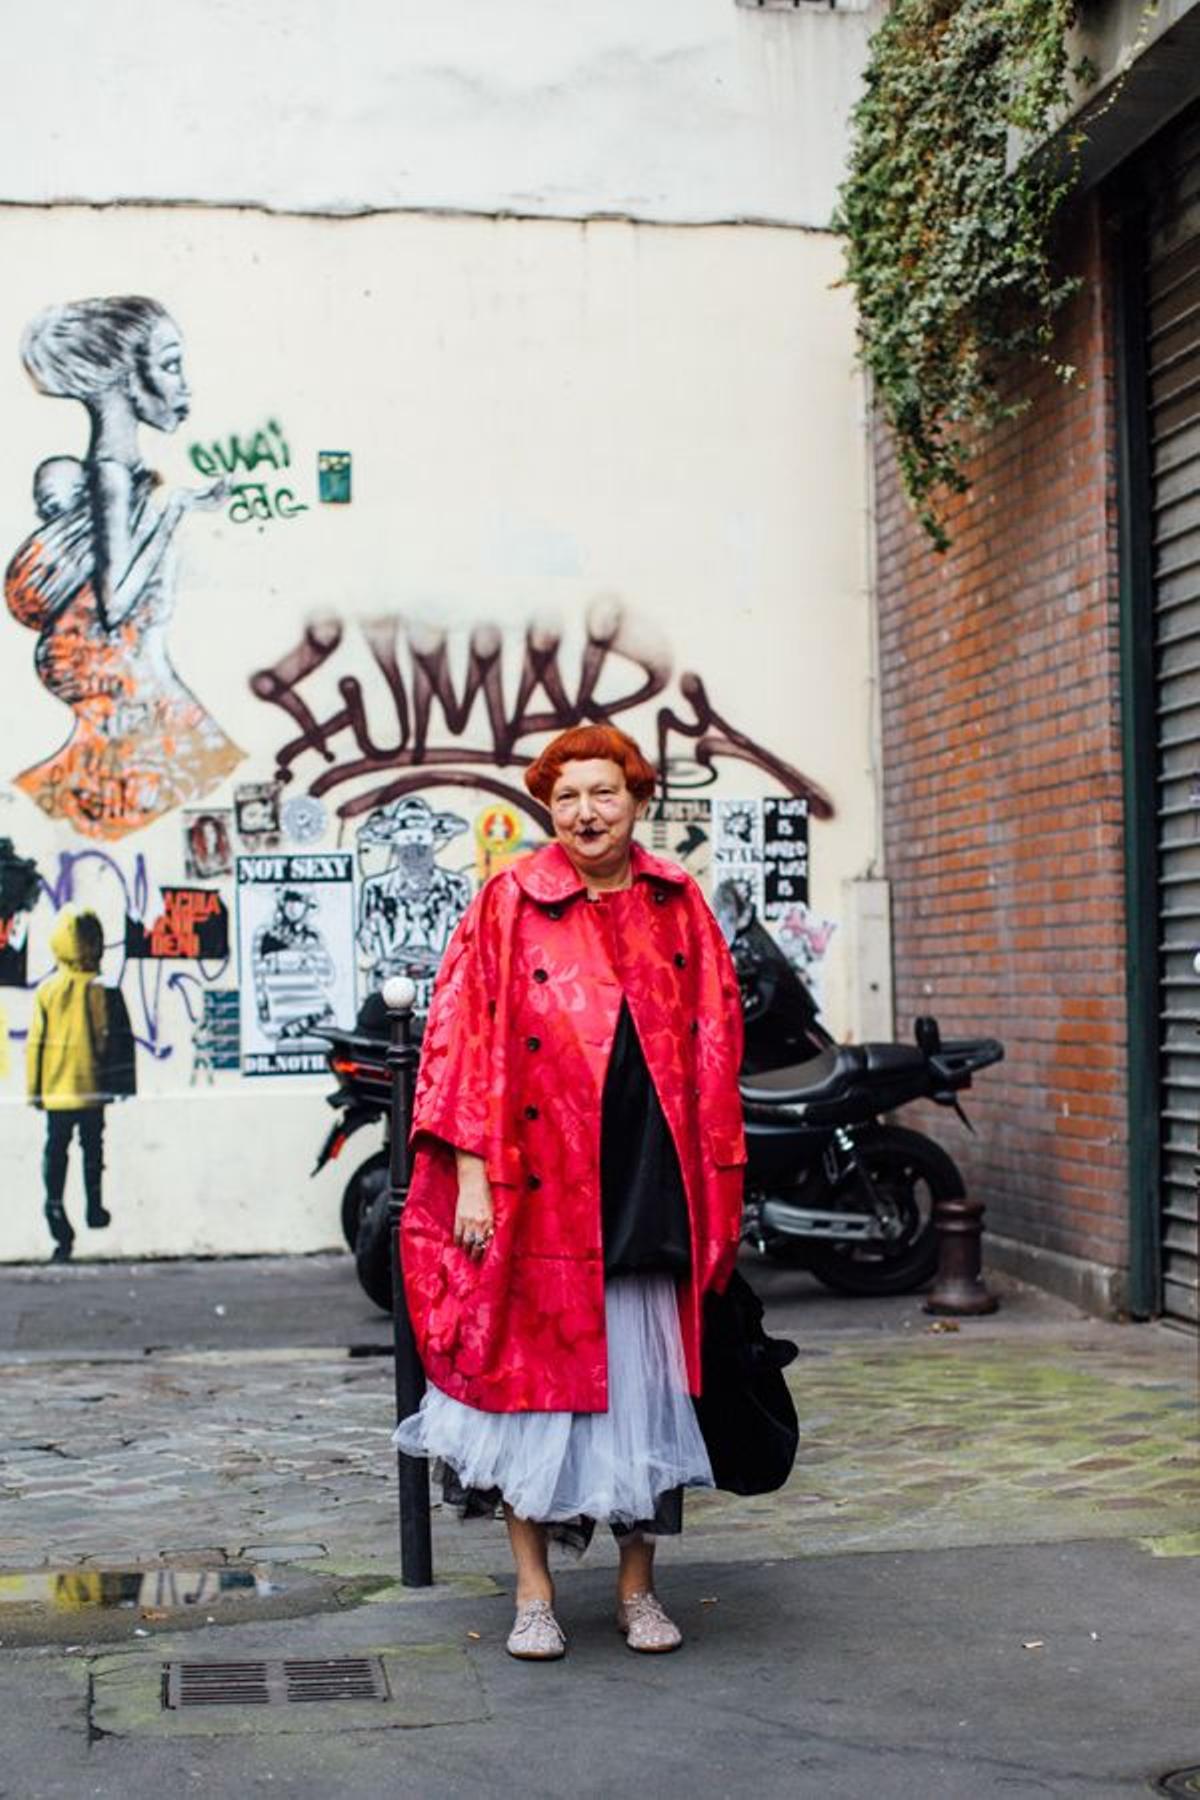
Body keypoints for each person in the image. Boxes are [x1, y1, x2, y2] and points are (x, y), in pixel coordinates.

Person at [394, 725, 747, 1661]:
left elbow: (718, 1043)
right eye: (567, 798)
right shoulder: (509, 901)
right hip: (538, 1182)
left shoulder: (677, 904)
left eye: (604, 793)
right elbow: (462, 1037)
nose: (586, 813)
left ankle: (638, 1591)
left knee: (646, 1392)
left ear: (637, 799)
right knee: (533, 1394)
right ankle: (534, 1595)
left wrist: (719, 1179)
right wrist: (471, 1172)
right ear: (548, 809)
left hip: (648, 1174)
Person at [5, 295, 243, 840]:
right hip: (142, 725)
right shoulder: (113, 476)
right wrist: (174, 511)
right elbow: (116, 601)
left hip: (148, 717)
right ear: (123, 378)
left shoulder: (127, 477)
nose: (185, 386)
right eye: (170, 364)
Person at [26, 908, 112, 1262]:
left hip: (57, 1091)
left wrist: (34, 1090)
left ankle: (55, 1207)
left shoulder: (48, 991)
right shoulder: (97, 990)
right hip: (90, 1088)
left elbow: (36, 1043)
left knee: (56, 1150)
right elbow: (105, 1039)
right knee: (92, 1148)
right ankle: (94, 1204)